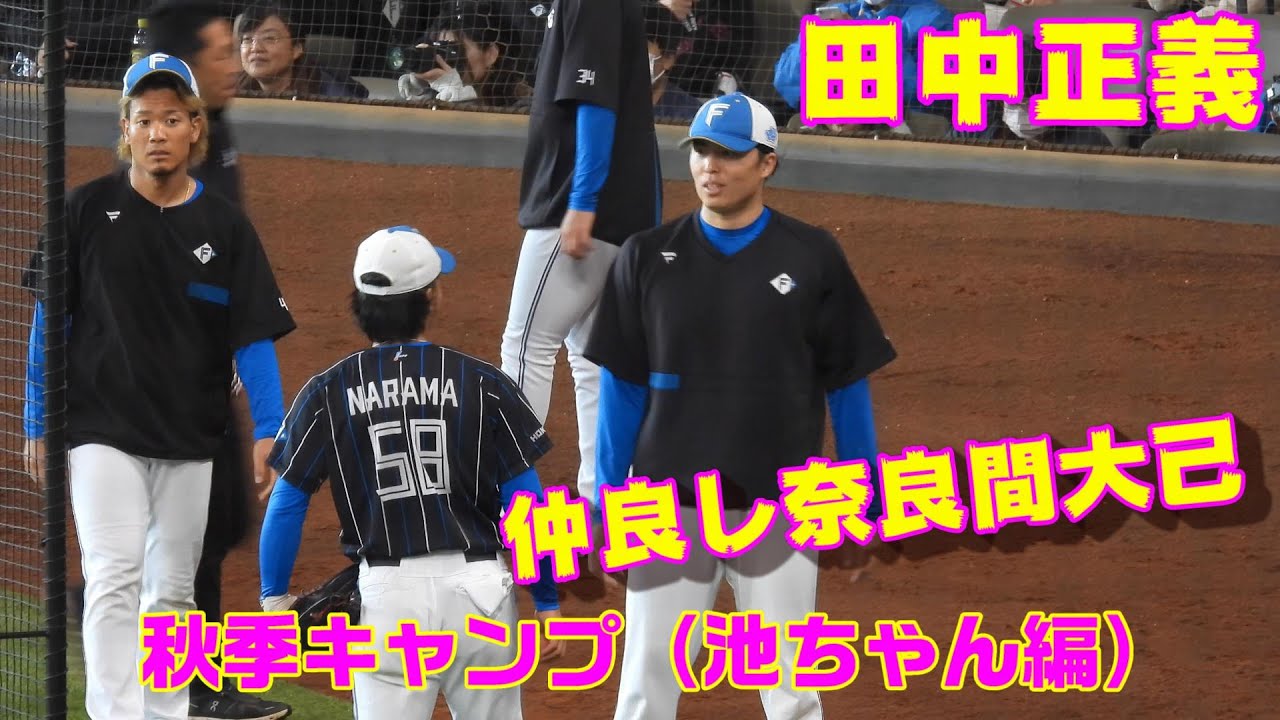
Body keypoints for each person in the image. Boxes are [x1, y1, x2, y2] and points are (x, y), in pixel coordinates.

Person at [584, 92, 898, 720]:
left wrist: (866, 500)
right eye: (701, 150)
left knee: (792, 690)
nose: (710, 166)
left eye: (728, 154)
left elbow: (846, 385)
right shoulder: (647, 255)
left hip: (782, 505)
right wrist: (603, 504)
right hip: (666, 508)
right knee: (646, 683)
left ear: (767, 163)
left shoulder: (812, 256)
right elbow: (622, 390)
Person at [22, 53, 296, 720]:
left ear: (195, 128)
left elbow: (252, 336)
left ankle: (166, 713)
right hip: (101, 430)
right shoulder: (83, 211)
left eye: (172, 119)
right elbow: (47, 326)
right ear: (126, 128)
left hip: (190, 436)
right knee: (114, 574)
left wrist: (269, 428)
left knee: (173, 591)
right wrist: (37, 422)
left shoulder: (225, 228)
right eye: (144, 119)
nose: (157, 133)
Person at [258, 226, 566, 718]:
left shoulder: (327, 391)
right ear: (431, 298)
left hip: (388, 600)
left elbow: (288, 500)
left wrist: (274, 597)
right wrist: (547, 600)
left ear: (360, 302)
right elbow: (527, 502)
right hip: (481, 594)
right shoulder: (482, 382)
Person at [145, 3, 295, 717]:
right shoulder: (156, 161)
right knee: (189, 538)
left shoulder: (215, 127)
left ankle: (199, 687)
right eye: (219, 53)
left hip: (203, 374)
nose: (235, 63)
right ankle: (194, 692)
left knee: (220, 524)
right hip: (158, 388)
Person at [501, 0, 661, 517]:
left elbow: (597, 100)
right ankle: (603, 507)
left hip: (579, 208)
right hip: (618, 214)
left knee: (526, 345)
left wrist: (583, 201)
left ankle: (503, 493)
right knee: (591, 358)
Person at [396, 0, 534, 107]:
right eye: (440, 49)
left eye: (454, 50)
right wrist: (421, 92)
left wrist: (458, 97)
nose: (446, 59)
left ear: (491, 54)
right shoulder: (438, 92)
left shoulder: (523, 102)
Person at [235, 3, 369, 100]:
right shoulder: (233, 90)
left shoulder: (332, 96)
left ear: (297, 49)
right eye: (247, 39)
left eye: (269, 38)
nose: (255, 48)